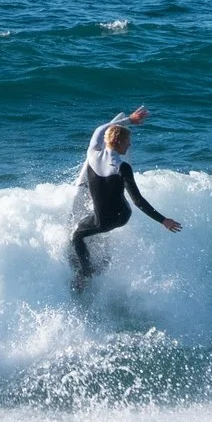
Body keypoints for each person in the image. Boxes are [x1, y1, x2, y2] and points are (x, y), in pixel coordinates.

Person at [69, 104, 181, 287]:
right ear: (120, 142)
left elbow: (100, 129)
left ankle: (85, 271)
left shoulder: (92, 153)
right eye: (128, 141)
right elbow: (137, 200)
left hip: (101, 220)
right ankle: (97, 255)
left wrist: (129, 120)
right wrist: (163, 220)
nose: (129, 145)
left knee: (77, 236)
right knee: (113, 197)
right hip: (121, 216)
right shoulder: (122, 166)